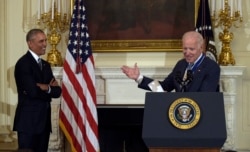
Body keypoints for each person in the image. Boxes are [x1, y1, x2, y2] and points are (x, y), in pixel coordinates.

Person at [121, 31, 220, 92]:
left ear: (201, 48)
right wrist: (139, 78)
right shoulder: (181, 64)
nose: (187, 52)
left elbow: (204, 97)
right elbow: (164, 87)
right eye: (185, 48)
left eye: (191, 49)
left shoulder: (211, 67)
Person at [13, 29, 62, 151]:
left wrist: (46, 87)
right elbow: (32, 92)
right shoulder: (23, 63)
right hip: (28, 124)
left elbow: (58, 92)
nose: (45, 44)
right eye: (41, 41)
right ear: (30, 43)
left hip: (44, 124)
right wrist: (50, 89)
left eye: (45, 40)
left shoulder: (45, 65)